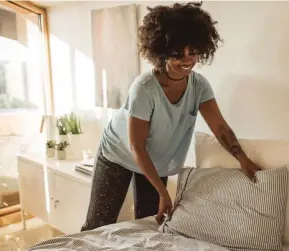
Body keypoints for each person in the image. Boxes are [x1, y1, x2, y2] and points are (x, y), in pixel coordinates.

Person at [81, 2, 261, 231]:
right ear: (162, 52)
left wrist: (243, 160)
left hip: (154, 161)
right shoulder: (144, 88)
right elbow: (137, 147)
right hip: (118, 153)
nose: (187, 60)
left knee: (147, 225)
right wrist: (163, 191)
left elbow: (220, 127)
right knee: (98, 224)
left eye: (193, 52)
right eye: (177, 54)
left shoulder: (199, 86)